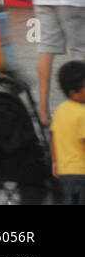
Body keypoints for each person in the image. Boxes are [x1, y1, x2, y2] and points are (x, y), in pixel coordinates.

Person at [51, 61, 85, 204]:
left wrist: (54, 161)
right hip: (81, 173)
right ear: (74, 92)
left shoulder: (60, 110)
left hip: (64, 174)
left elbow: (52, 138)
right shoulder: (82, 113)